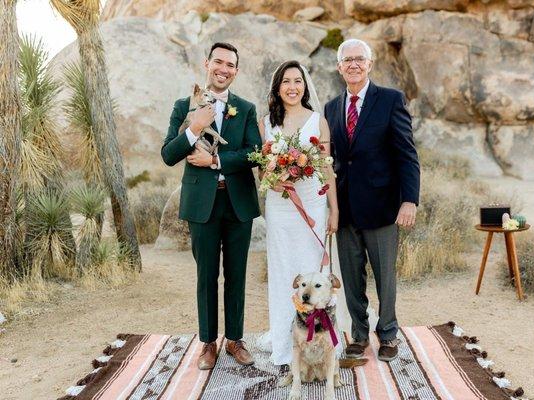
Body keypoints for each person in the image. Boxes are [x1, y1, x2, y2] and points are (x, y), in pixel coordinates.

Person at [161, 42, 261, 370]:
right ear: (207, 63)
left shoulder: (245, 108)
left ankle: (235, 339)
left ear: (236, 70)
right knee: (207, 275)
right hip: (201, 204)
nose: (223, 68)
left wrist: (216, 159)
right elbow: (168, 154)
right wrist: (194, 128)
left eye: (230, 64)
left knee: (236, 274)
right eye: (218, 62)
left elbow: (253, 153)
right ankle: (207, 343)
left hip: (238, 204)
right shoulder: (183, 106)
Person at [323, 39, 420, 362]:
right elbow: (331, 161)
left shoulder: (390, 100)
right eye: (347, 60)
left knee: (384, 277)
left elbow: (407, 154)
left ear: (369, 63)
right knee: (351, 277)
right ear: (339, 67)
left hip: (382, 207)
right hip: (346, 210)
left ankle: (389, 334)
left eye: (359, 59)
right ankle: (360, 334)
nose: (353, 64)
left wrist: (410, 201)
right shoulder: (332, 108)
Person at [257, 60, 339, 366]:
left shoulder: (318, 121)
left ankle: (319, 346)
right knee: (282, 276)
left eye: (298, 81)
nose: (293, 87)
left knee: (313, 274)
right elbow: (262, 168)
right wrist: (275, 178)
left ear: (305, 87)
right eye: (286, 82)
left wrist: (334, 209)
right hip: (280, 207)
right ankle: (284, 347)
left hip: (312, 206)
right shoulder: (266, 123)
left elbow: (328, 170)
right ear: (277, 88)